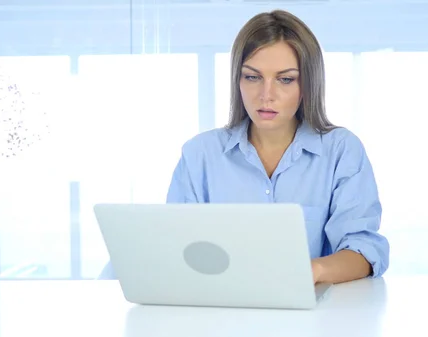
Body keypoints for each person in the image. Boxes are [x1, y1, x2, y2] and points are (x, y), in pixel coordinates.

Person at [99, 9, 389, 284]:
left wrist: (310, 271)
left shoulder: (341, 150)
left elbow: (364, 250)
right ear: (237, 80)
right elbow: (179, 248)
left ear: (308, 85)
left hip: (313, 315)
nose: (266, 95)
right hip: (220, 314)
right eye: (252, 77)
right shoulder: (200, 155)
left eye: (285, 80)